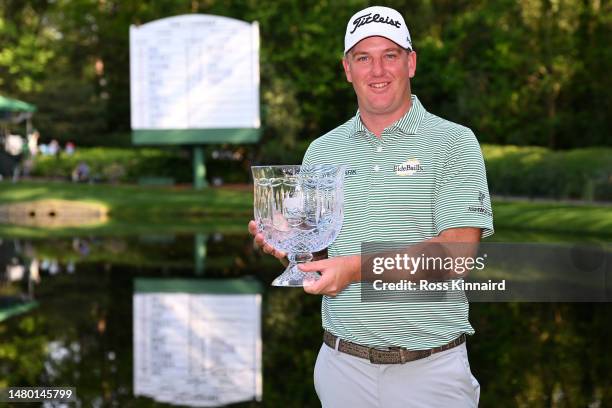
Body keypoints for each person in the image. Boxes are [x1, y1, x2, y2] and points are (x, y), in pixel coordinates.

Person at [249, 6, 493, 407]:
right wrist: (291, 248)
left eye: (390, 56)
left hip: (430, 372)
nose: (377, 70)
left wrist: (353, 269)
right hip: (341, 368)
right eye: (363, 57)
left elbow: (456, 255)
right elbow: (322, 253)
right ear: (347, 69)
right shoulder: (322, 150)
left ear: (410, 62)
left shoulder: (455, 143)